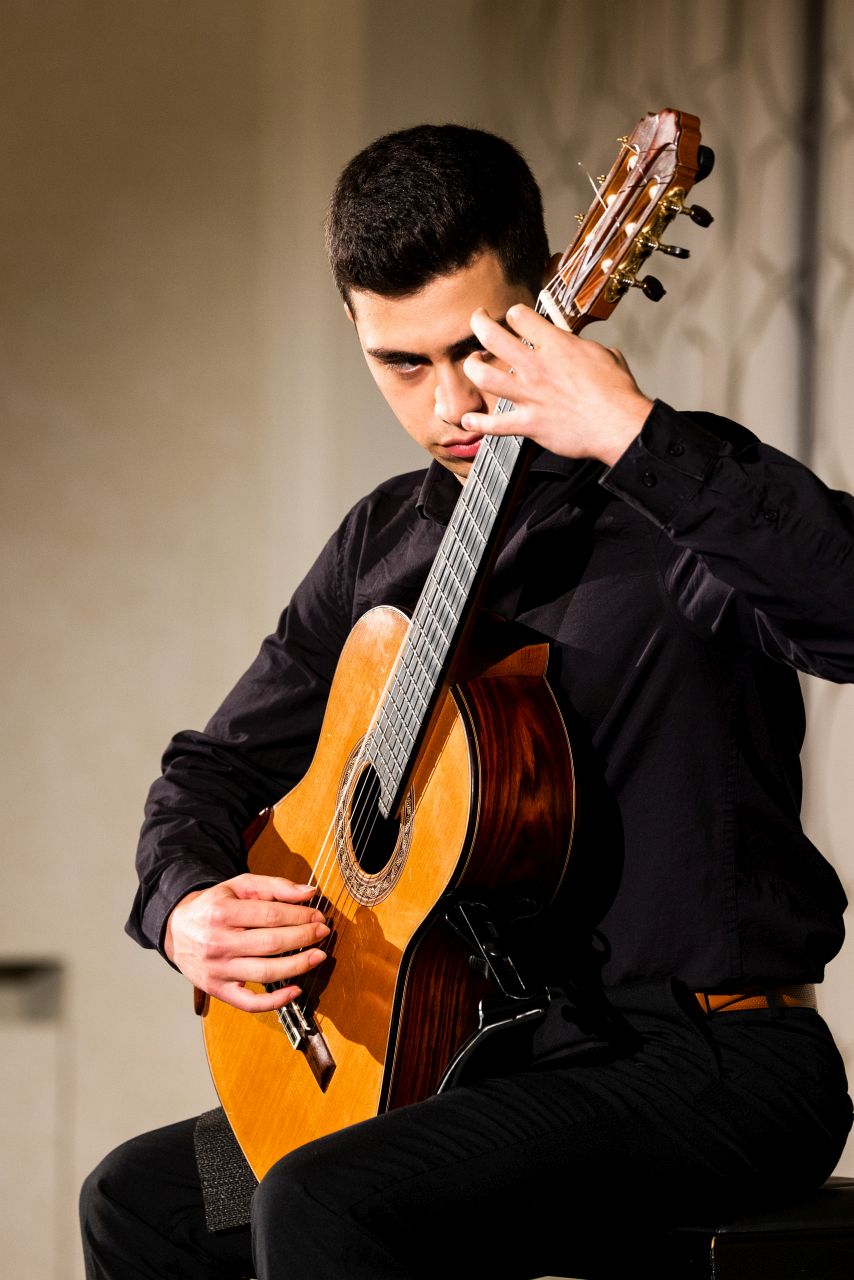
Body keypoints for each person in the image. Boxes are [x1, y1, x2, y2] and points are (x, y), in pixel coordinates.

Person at [80, 123, 854, 1280]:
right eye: (401, 364)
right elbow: (214, 767)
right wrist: (183, 901)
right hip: (475, 1059)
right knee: (139, 1199)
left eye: (474, 347)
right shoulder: (382, 543)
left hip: (710, 1057)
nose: (448, 403)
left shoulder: (675, 499)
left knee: (328, 1203)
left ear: (545, 301)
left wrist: (633, 437)